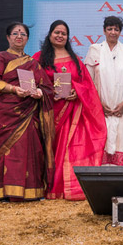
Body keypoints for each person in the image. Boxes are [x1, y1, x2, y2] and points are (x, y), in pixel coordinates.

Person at [0, 22, 55, 201]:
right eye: (15, 33)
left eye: (23, 34)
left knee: (29, 151)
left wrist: (39, 92)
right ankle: (3, 192)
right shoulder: (1, 57)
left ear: (27, 39)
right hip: (3, 115)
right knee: (6, 152)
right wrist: (13, 90)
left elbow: (48, 88)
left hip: (28, 115)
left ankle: (31, 191)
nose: (19, 37)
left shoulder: (33, 63)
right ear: (8, 38)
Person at [34, 20, 106, 200]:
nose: (60, 36)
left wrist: (77, 92)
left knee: (71, 149)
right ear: (50, 35)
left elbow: (86, 84)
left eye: (63, 33)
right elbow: (33, 83)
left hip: (73, 111)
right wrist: (49, 93)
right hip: (50, 110)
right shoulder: (39, 58)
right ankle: (51, 186)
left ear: (68, 37)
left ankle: (71, 188)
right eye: (57, 32)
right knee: (51, 148)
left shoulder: (75, 59)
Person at [85, 16, 123, 166]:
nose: (113, 32)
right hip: (100, 109)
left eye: (116, 29)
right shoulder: (94, 49)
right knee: (101, 152)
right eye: (110, 29)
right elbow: (88, 82)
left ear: (120, 32)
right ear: (104, 30)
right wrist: (100, 105)